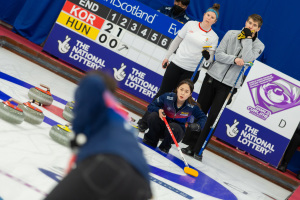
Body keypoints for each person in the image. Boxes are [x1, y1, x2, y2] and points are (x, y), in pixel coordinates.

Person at [45, 71, 152, 200]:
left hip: (109, 165)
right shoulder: (120, 115)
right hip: (142, 186)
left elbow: (91, 87)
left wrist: (77, 133)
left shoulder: (96, 90)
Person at [182, 14, 265, 161]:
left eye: (254, 25)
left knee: (213, 117)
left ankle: (198, 149)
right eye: (249, 23)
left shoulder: (259, 46)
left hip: (229, 85)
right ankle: (189, 144)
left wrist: (246, 39)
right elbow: (218, 55)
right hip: (213, 77)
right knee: (200, 110)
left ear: (258, 29)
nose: (250, 26)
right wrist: (234, 59)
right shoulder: (231, 34)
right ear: (245, 22)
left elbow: (247, 59)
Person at [138, 3, 220, 133]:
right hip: (176, 65)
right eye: (208, 15)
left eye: (212, 17)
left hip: (191, 72)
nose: (209, 18)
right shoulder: (191, 25)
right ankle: (144, 122)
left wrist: (206, 55)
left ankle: (163, 129)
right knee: (162, 94)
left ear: (214, 21)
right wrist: (167, 57)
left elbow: (210, 59)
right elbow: (177, 40)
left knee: (178, 101)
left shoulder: (213, 37)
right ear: (204, 15)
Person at [142, 79, 207, 154]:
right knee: (153, 116)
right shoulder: (167, 97)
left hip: (175, 132)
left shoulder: (192, 106)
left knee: (173, 127)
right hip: (162, 126)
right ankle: (150, 139)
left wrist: (198, 125)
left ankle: (165, 147)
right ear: (177, 89)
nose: (182, 93)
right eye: (181, 89)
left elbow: (203, 117)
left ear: (190, 94)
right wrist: (158, 110)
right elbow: (150, 106)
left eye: (186, 92)